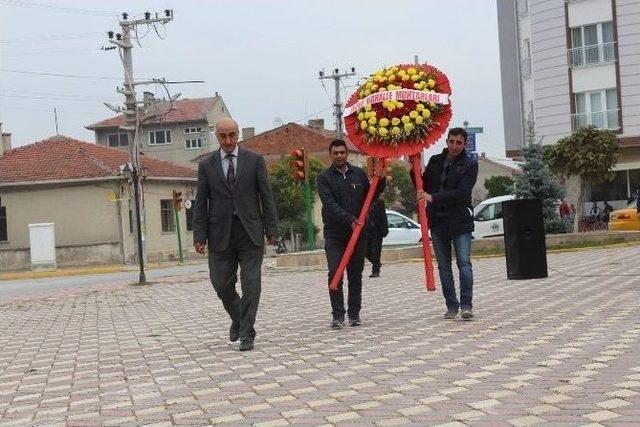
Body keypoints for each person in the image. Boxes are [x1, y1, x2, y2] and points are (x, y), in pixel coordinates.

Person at [192, 118, 278, 352]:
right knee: (221, 284)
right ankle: (239, 319)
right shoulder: (207, 165)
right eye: (223, 136)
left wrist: (272, 229)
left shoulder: (255, 161)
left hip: (250, 232)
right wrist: (198, 235)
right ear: (217, 137)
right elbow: (201, 202)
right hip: (219, 234)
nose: (228, 140)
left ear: (238, 134)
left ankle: (247, 332)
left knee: (251, 284)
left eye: (232, 135)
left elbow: (266, 196)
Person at [317, 139, 385, 329]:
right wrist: (350, 220)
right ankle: (337, 315)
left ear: (346, 154)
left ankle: (354, 314)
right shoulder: (324, 178)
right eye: (335, 153)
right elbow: (330, 205)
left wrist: (381, 180)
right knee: (334, 272)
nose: (339, 156)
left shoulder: (359, 174)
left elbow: (371, 196)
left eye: (342, 152)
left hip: (359, 234)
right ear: (330, 155)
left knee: (355, 274)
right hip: (335, 235)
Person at [415, 127, 478, 320]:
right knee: (443, 267)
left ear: (465, 144)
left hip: (459, 221)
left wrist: (433, 198)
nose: (454, 146)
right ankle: (452, 305)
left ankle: (466, 305)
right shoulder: (435, 161)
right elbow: (422, 186)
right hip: (438, 222)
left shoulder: (470, 164)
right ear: (447, 141)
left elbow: (461, 193)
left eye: (459, 142)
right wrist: (414, 168)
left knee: (464, 263)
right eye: (451, 141)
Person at [365, 197, 389, 278]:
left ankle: (375, 271)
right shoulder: (363, 200)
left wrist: (385, 230)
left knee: (376, 251)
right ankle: (377, 263)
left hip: (377, 230)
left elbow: (383, 216)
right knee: (365, 250)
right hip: (367, 229)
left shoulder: (379, 201)